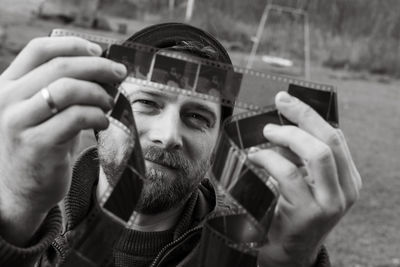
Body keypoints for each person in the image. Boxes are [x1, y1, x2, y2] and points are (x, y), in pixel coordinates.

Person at [0, 23, 361, 267]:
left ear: (221, 142)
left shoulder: (246, 248)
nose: (168, 135)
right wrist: (17, 209)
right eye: (147, 104)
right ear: (101, 109)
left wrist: (287, 262)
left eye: (197, 117)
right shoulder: (28, 213)